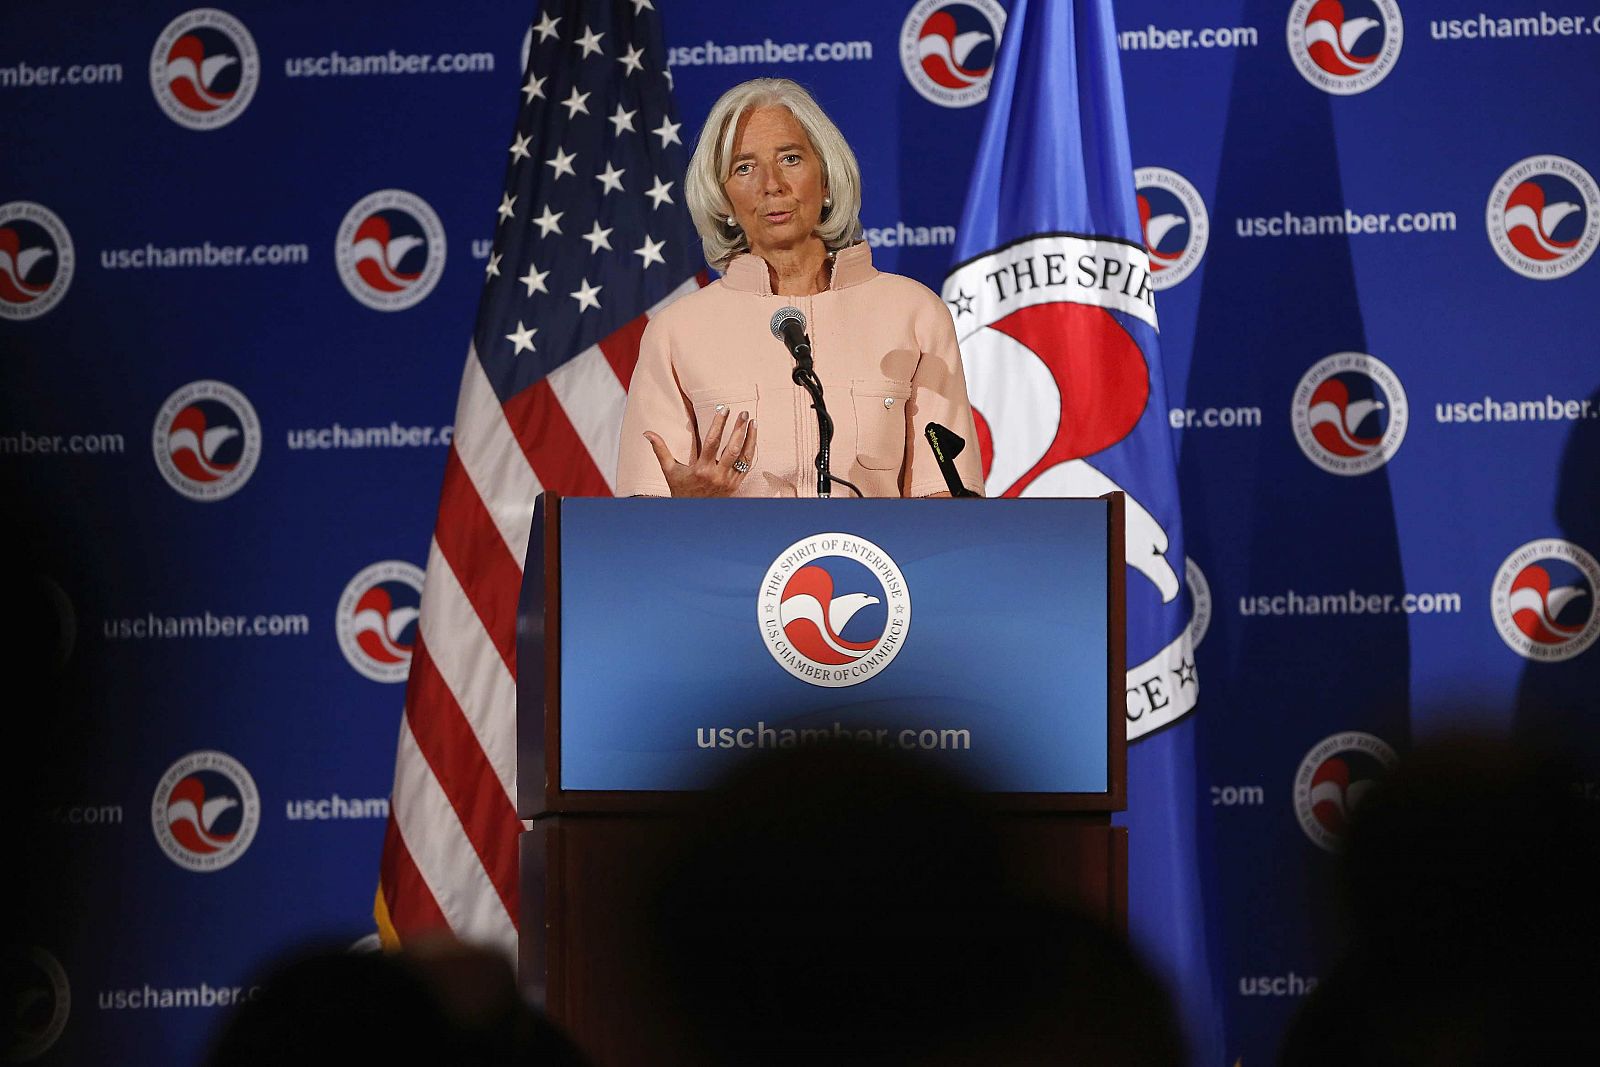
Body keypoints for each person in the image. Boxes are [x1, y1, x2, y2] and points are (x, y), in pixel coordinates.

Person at [615, 78, 985, 499]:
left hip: (877, 565)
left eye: (790, 159)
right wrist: (686, 511)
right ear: (723, 199)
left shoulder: (914, 314)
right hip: (733, 563)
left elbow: (949, 499)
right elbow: (641, 519)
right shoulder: (676, 332)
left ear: (826, 179)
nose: (772, 184)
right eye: (744, 168)